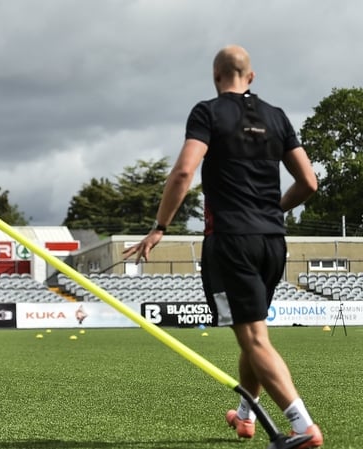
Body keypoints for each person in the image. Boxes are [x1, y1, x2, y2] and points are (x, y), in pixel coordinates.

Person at [122, 45, 322, 448]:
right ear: (251, 77)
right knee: (253, 333)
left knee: (253, 339)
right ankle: (246, 417)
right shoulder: (278, 116)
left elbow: (183, 171)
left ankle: (303, 428)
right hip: (272, 242)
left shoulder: (208, 112)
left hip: (231, 240)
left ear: (216, 77)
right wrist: (274, 210)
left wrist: (160, 226)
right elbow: (309, 183)